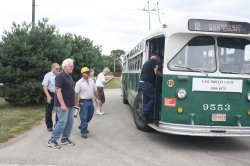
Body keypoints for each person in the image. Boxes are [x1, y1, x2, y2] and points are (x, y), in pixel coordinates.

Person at [47, 58, 75, 149]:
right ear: (65, 67)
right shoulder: (60, 76)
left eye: (72, 66)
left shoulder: (69, 76)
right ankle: (52, 141)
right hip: (63, 105)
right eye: (71, 66)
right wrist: (62, 104)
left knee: (70, 122)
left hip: (70, 105)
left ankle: (64, 139)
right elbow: (58, 92)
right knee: (62, 122)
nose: (72, 67)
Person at [74, 67, 99, 138]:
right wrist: (76, 104)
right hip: (83, 101)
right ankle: (84, 131)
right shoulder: (79, 83)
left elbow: (95, 91)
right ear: (82, 73)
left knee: (90, 115)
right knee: (84, 116)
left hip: (90, 101)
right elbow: (76, 94)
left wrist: (98, 98)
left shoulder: (92, 81)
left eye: (88, 72)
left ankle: (82, 125)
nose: (88, 74)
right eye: (86, 73)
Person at [139, 51, 163, 123]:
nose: (160, 61)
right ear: (157, 57)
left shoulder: (146, 62)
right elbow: (156, 72)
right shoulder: (153, 62)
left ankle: (145, 117)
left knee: (147, 99)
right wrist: (163, 75)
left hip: (142, 83)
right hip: (147, 84)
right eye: (160, 59)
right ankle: (144, 114)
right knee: (155, 97)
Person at [42, 63, 60, 132]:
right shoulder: (48, 75)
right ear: (52, 68)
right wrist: (48, 96)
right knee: (49, 111)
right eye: (56, 69)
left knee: (59, 110)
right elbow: (44, 86)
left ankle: (57, 125)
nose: (58, 70)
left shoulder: (60, 75)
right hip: (51, 94)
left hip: (58, 94)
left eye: (59, 68)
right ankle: (49, 126)